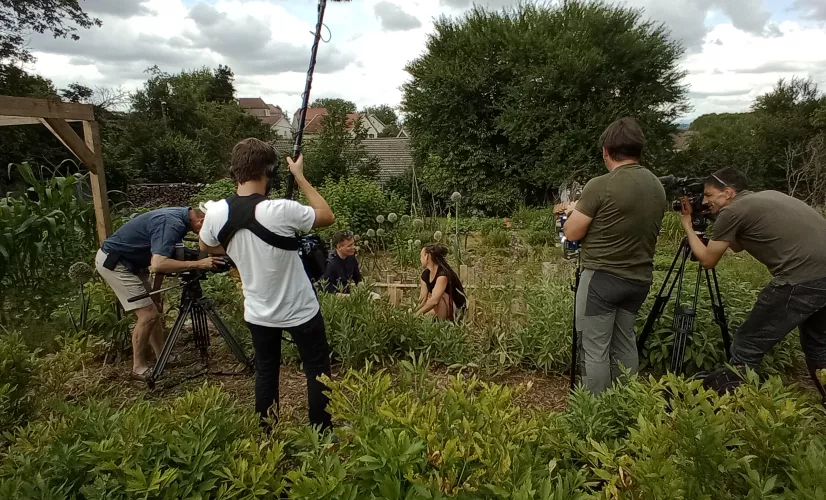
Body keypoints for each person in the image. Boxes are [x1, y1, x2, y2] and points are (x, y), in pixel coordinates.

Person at [198, 137, 336, 431]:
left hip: (258, 312)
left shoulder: (216, 213)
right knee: (316, 369)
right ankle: (322, 433)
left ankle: (266, 433)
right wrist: (299, 176)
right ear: (269, 171)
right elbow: (326, 216)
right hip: (300, 309)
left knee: (266, 372)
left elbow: (206, 246)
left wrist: (238, 248)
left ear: (235, 172)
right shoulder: (281, 210)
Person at [678, 167, 826, 396]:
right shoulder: (768, 196)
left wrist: (688, 225)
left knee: (748, 344)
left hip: (800, 279)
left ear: (728, 193)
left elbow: (707, 260)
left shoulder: (733, 211)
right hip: (820, 276)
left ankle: (732, 401)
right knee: (818, 344)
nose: (705, 201)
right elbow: (738, 246)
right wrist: (715, 217)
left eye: (708, 195)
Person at [563, 116, 667, 395]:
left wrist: (573, 212)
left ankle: (595, 410)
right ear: (639, 150)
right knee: (624, 343)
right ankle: (627, 403)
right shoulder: (656, 185)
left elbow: (572, 233)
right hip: (639, 278)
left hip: (602, 278)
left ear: (606, 151)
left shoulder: (602, 184)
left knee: (594, 348)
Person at [95, 207, 218, 381]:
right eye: (205, 231)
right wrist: (199, 264)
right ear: (201, 221)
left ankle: (163, 357)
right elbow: (159, 264)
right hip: (116, 263)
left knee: (154, 309)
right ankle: (138, 368)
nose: (203, 236)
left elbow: (163, 257)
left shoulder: (180, 217)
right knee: (148, 315)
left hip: (133, 263)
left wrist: (155, 293)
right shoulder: (172, 224)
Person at [416, 243, 466, 321]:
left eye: (421, 256)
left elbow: (434, 301)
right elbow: (422, 299)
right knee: (428, 303)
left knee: (438, 296)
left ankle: (441, 323)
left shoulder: (443, 274)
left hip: (456, 308)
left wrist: (417, 314)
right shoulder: (425, 274)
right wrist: (415, 311)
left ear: (426, 256)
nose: (420, 259)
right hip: (442, 307)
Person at [321, 230, 362, 294]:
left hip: (346, 293)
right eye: (350, 245)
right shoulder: (330, 264)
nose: (354, 247)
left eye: (353, 244)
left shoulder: (351, 257)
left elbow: (358, 278)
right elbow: (328, 291)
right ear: (339, 247)